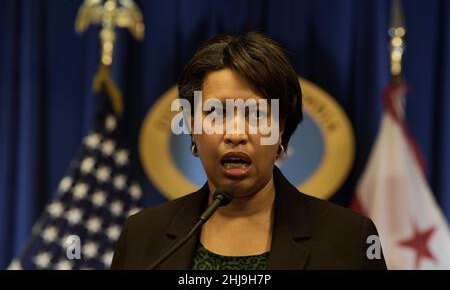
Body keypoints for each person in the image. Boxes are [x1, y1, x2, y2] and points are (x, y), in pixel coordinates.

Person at [111, 32, 387, 270]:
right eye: (216, 114)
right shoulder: (142, 237)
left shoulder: (349, 240)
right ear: (193, 128)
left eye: (255, 114)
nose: (235, 135)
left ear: (281, 129)